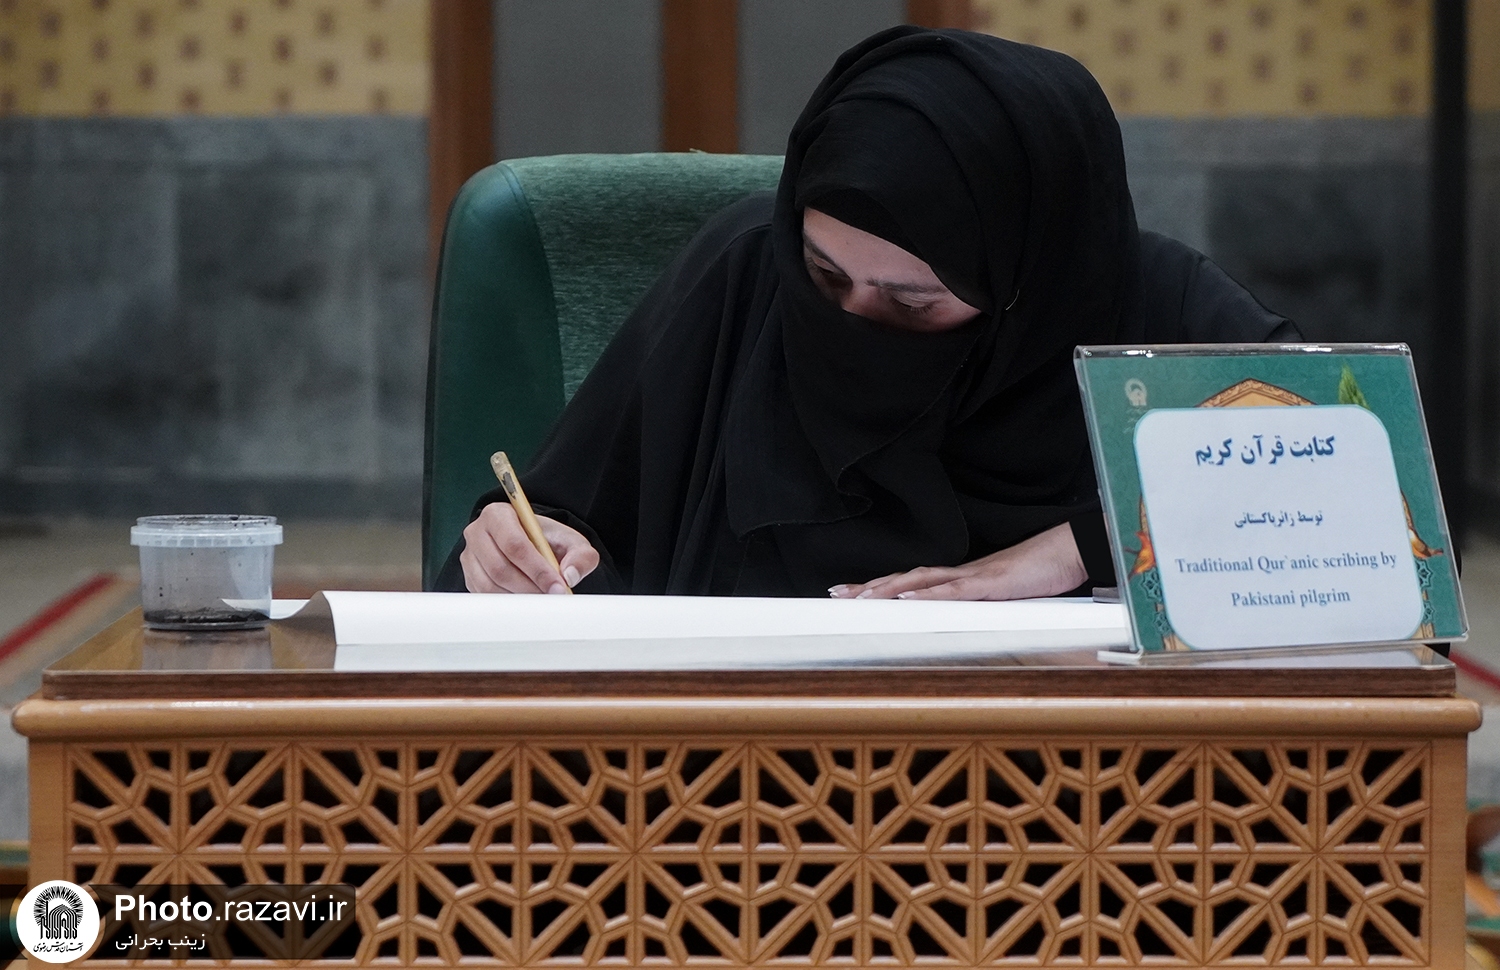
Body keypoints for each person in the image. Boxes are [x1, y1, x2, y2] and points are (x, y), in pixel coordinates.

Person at [435, 26, 1297, 599]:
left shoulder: (1143, 304)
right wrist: (517, 551)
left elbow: (1338, 481)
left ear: (1026, 288)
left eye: (912, 303)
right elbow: (573, 525)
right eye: (825, 277)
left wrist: (1074, 550)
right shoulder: (748, 276)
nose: (855, 324)